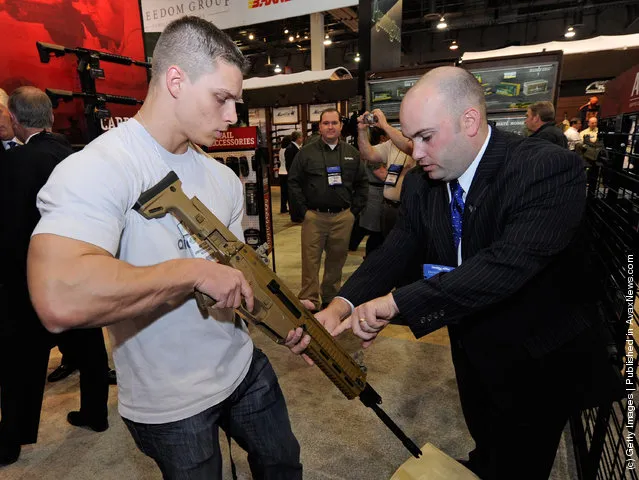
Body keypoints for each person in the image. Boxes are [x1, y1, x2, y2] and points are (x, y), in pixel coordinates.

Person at [287, 67, 609, 480]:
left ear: (469, 122)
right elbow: (398, 250)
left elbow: (503, 267)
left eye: (425, 137)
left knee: (522, 458)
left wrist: (393, 304)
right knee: (486, 436)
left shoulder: (546, 169)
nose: (414, 152)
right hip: (473, 342)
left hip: (537, 359)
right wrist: (341, 305)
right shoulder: (425, 183)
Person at [27, 17, 301, 479]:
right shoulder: (98, 167)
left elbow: (234, 274)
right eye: (222, 98)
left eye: (237, 101)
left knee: (283, 464)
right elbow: (58, 297)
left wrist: (284, 311)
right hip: (170, 401)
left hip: (241, 366)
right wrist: (191, 273)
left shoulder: (222, 179)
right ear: (176, 80)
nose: (233, 115)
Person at [0, 86, 108, 466]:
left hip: (33, 276)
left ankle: (11, 439)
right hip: (81, 267)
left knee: (20, 362)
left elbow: (11, 228)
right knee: (89, 346)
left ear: (14, 119)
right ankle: (96, 413)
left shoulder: (17, 163)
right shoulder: (73, 153)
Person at [288, 108, 368, 310]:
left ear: (341, 126)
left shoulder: (352, 154)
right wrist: (304, 212)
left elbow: (362, 184)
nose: (330, 127)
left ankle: (330, 296)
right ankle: (309, 298)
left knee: (337, 259)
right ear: (320, 127)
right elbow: (293, 182)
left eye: (334, 123)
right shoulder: (306, 153)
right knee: (310, 260)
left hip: (343, 217)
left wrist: (353, 212)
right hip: (314, 216)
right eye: (326, 123)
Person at [356, 108, 415, 237]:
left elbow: (410, 147)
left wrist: (385, 125)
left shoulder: (420, 142)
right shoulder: (392, 143)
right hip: (389, 208)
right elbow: (367, 153)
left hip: (410, 209)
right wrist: (362, 131)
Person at [278, 135, 291, 213]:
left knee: (283, 192)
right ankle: (289, 207)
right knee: (288, 192)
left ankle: (283, 208)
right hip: (286, 172)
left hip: (281, 171)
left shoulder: (281, 150)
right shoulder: (288, 150)